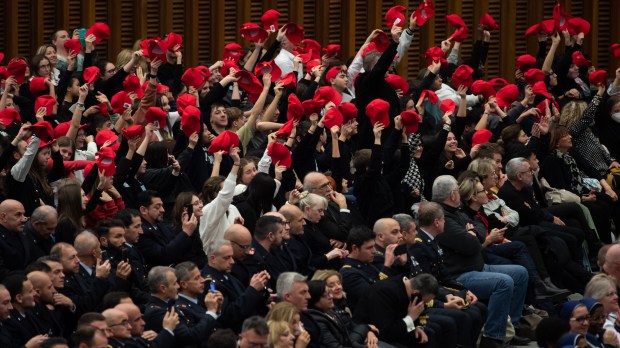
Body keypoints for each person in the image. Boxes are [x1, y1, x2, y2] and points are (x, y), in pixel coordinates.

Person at [431, 175, 530, 347]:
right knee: (504, 282)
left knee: (520, 273)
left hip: (478, 267)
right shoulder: (442, 217)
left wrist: (473, 232)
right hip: (460, 274)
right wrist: (473, 234)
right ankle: (492, 337)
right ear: (453, 194)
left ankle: (511, 328)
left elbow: (478, 226)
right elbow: (470, 245)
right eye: (458, 191)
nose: (460, 194)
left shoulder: (457, 212)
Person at [201, 239, 270, 332]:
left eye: (232, 257)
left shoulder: (227, 274)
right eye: (227, 258)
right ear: (213, 259)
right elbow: (229, 315)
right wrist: (253, 289)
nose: (232, 261)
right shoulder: (211, 284)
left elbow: (245, 298)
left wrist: (261, 287)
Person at [353, 273, 435, 348]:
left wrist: (417, 326)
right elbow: (386, 332)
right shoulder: (384, 293)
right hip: (371, 332)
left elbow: (413, 313)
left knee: (429, 335)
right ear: (416, 293)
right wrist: (410, 318)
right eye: (423, 302)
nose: (423, 305)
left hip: (396, 327)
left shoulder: (408, 288)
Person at [143, 266, 219, 345]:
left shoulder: (168, 303)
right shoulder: (157, 312)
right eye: (175, 283)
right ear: (163, 288)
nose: (178, 286)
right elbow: (189, 337)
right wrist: (211, 311)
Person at [305, 279, 377, 348]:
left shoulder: (330, 311)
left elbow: (348, 340)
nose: (331, 296)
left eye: (329, 293)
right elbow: (337, 346)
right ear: (314, 298)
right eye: (325, 295)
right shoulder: (316, 321)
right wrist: (366, 328)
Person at [135, 190, 195, 267]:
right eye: (157, 207)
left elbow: (177, 245)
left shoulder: (162, 225)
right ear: (144, 210)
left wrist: (183, 228)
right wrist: (186, 232)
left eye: (162, 206)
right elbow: (163, 256)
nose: (163, 210)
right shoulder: (141, 232)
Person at [0, 199, 33, 281]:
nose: (23, 219)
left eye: (23, 214)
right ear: (3, 217)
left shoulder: (22, 234)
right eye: (18, 215)